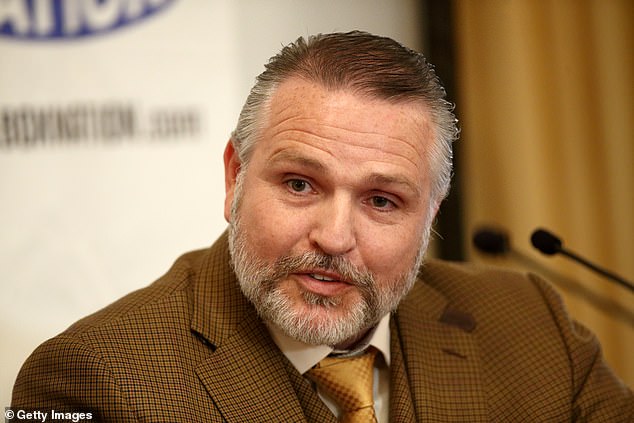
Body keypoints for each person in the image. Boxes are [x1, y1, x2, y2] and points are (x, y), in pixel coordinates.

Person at [12, 31, 632, 422]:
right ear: (234, 177)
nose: (334, 238)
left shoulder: (532, 325)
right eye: (300, 185)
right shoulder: (89, 378)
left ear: (430, 215)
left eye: (383, 201)